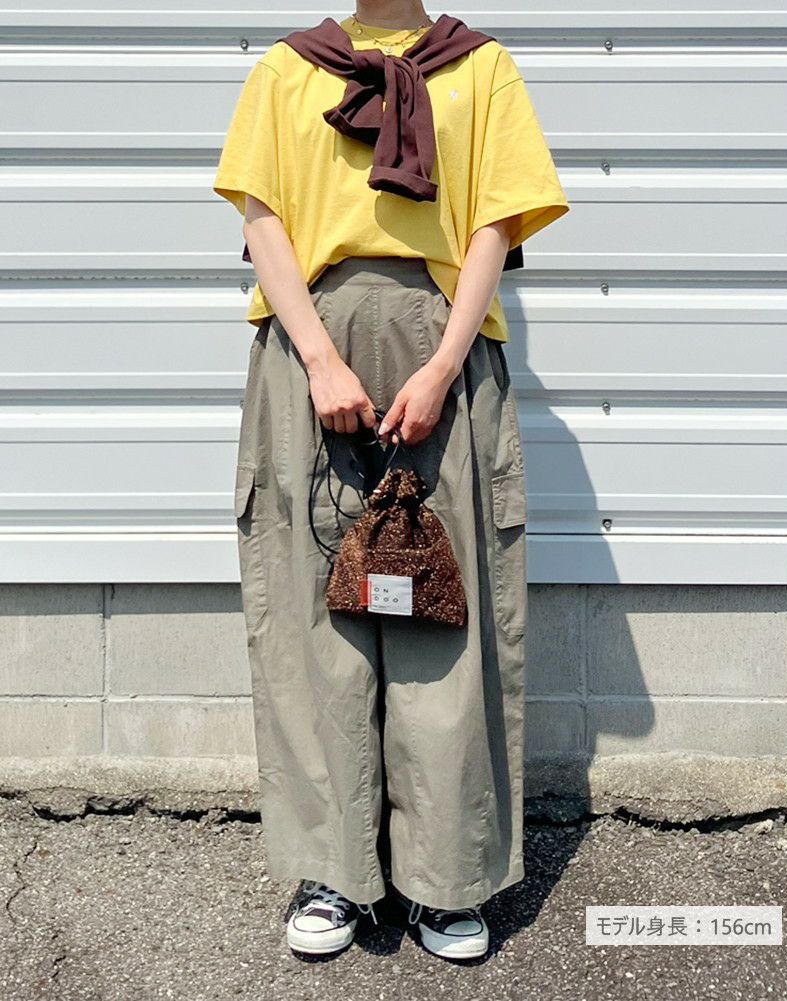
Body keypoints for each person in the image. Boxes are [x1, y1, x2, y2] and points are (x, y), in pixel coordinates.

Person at [213, 1, 569, 962]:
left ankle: (444, 877)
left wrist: (444, 365)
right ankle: (333, 868)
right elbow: (261, 218)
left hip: (440, 343)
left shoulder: (480, 68)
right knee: (314, 618)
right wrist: (321, 359)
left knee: (440, 616)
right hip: (309, 346)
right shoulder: (288, 69)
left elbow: (494, 222)